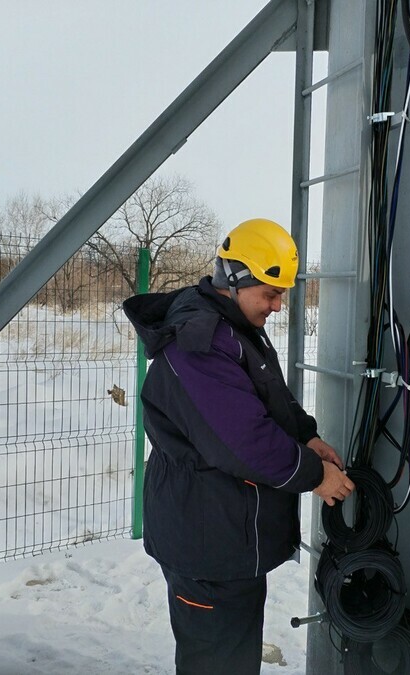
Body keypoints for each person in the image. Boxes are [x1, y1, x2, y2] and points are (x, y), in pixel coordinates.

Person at [123, 218, 355, 674]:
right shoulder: (200, 344)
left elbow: (269, 397)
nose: (278, 304)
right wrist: (314, 475)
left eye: (282, 292)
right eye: (270, 292)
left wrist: (306, 435)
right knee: (217, 662)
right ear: (233, 280)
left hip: (227, 539)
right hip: (207, 542)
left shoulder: (234, 328)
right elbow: (246, 441)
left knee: (233, 656)